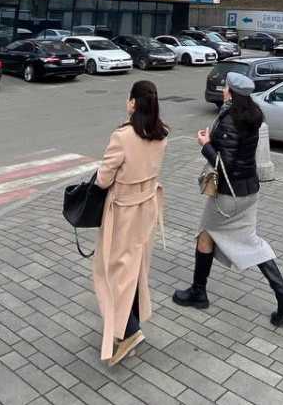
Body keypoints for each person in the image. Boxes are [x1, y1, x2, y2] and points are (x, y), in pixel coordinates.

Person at [173, 71, 283, 326]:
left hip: (229, 194)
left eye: (225, 87)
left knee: (205, 235)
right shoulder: (252, 114)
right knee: (251, 242)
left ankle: (198, 292)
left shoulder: (231, 119)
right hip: (249, 191)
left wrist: (205, 144)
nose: (223, 90)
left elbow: (226, 165)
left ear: (231, 92)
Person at [93, 79, 168, 366]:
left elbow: (103, 179)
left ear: (133, 103)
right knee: (135, 268)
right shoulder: (161, 135)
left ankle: (128, 331)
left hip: (124, 212)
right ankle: (129, 324)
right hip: (147, 208)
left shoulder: (122, 137)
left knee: (113, 271)